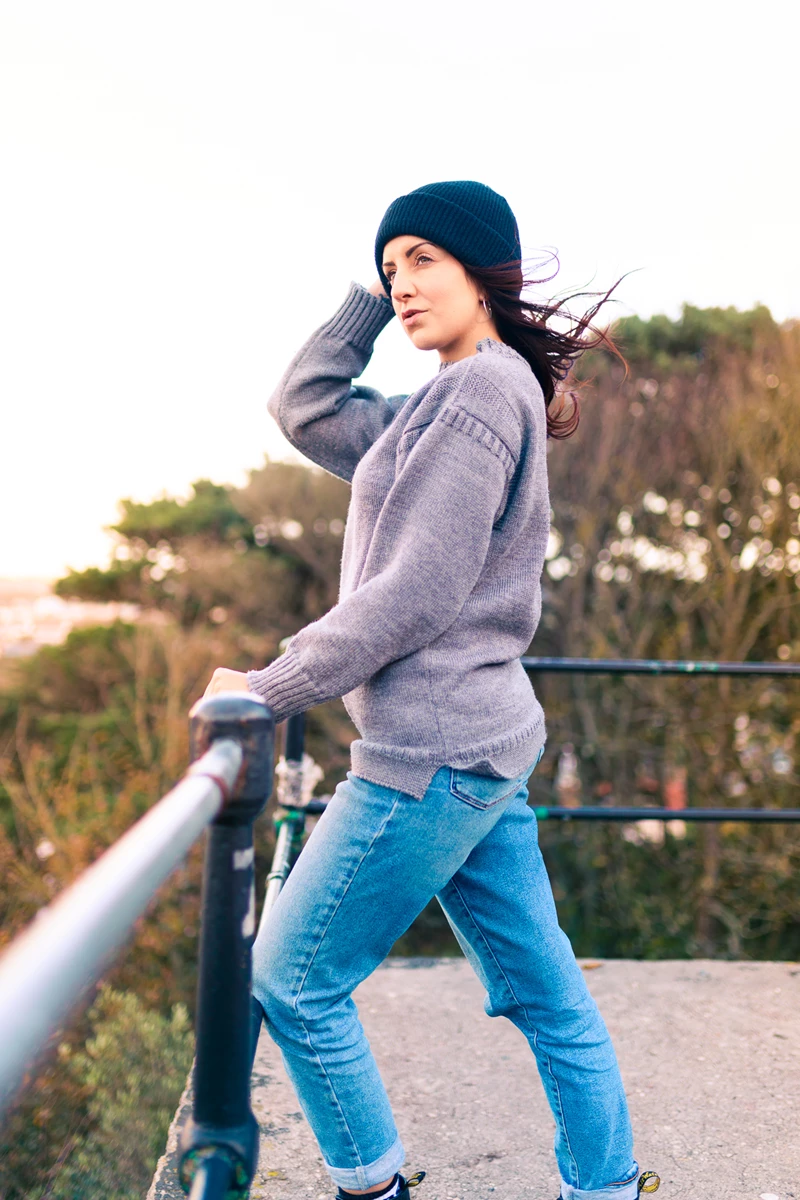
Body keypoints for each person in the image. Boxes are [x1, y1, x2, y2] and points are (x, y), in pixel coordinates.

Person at [203, 181, 660, 1200]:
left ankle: (375, 1189)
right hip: (476, 748)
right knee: (546, 995)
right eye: (389, 266)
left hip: (430, 757)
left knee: (291, 979)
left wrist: (267, 689)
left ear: (480, 272)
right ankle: (606, 1185)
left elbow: (414, 592)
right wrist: (367, 304)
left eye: (423, 259)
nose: (402, 283)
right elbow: (304, 407)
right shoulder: (441, 404)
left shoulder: (479, 396)